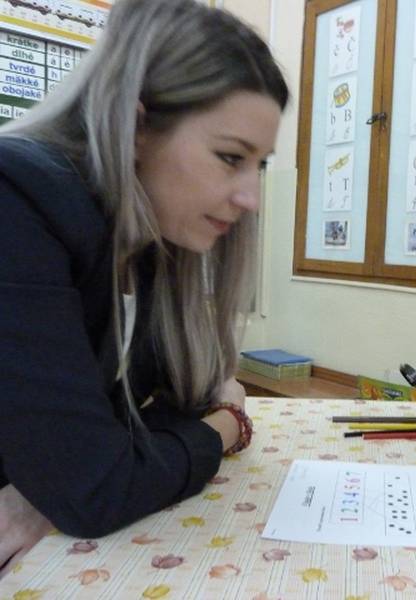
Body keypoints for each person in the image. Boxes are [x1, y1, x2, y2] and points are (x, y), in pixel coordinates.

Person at [0, 0, 288, 578]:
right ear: (135, 128)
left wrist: (54, 487)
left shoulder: (148, 241)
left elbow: (131, 434)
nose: (250, 198)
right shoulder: (18, 201)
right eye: (230, 157)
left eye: (258, 165)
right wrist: (228, 422)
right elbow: (95, 490)